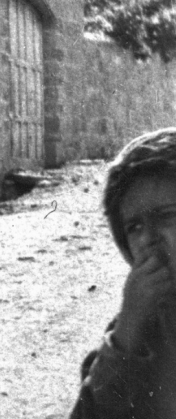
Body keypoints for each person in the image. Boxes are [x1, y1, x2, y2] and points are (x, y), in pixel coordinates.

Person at [70, 127, 176, 418]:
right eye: (134, 227)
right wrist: (127, 332)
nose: (148, 239)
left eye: (167, 216)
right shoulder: (140, 326)